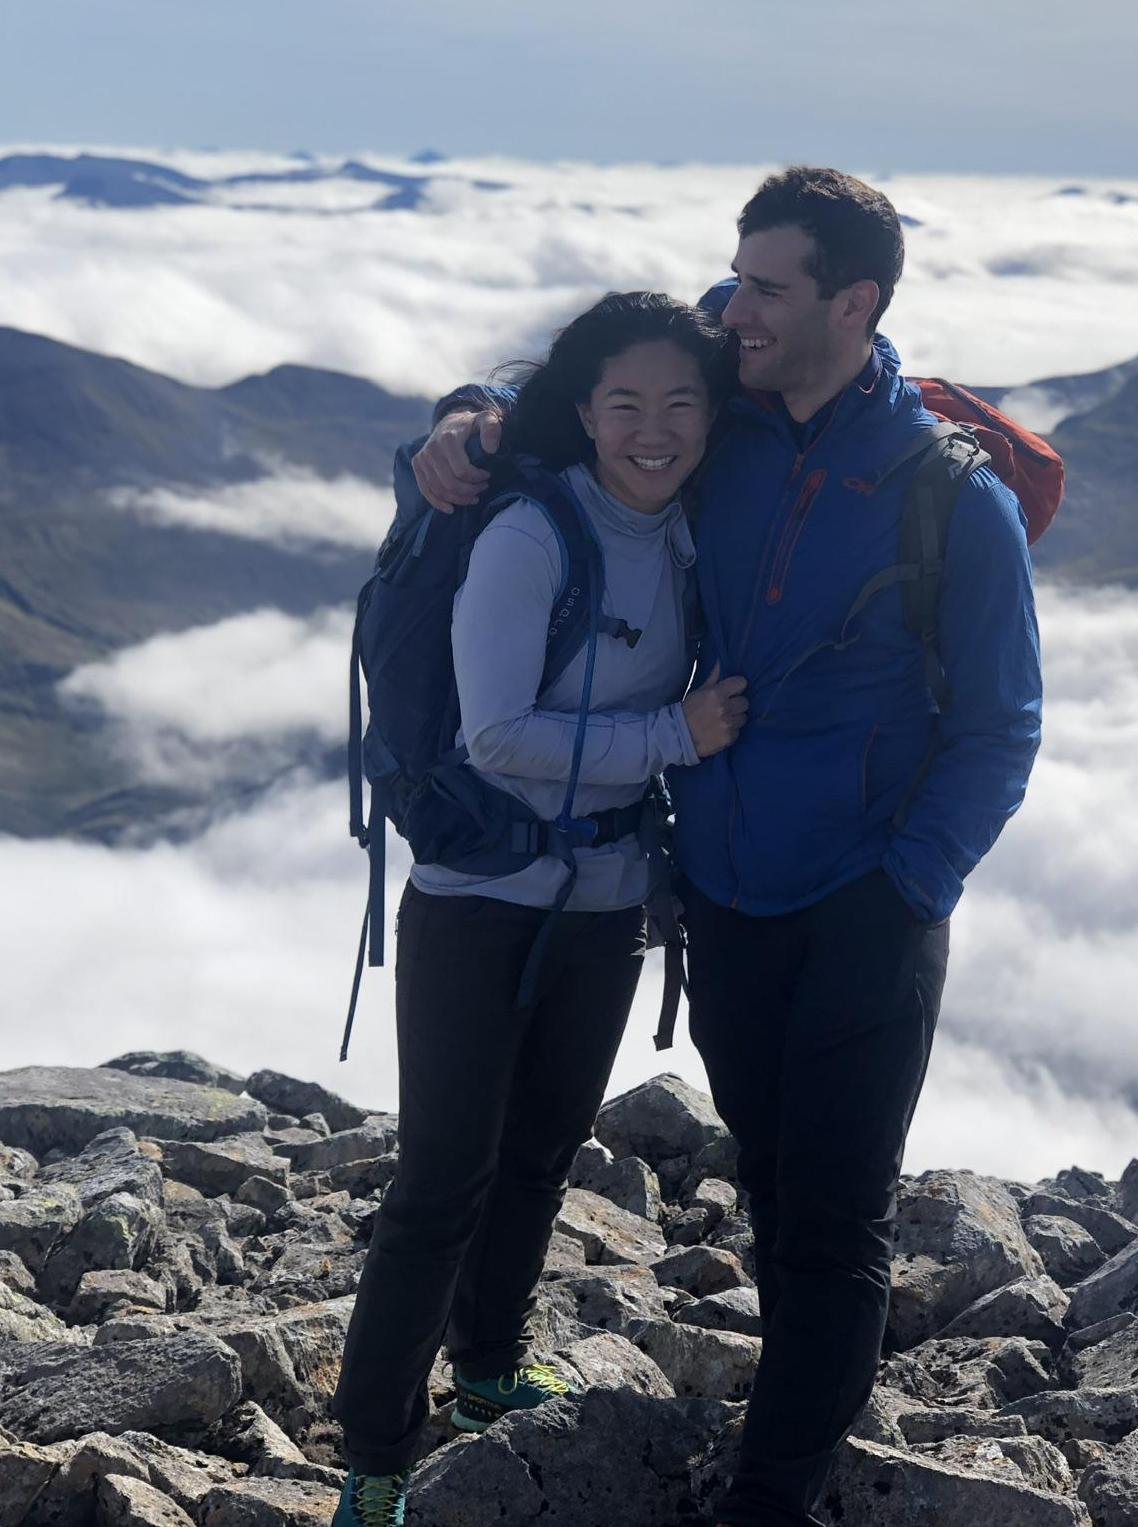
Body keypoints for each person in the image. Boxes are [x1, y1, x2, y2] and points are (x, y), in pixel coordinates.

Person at [411, 166, 1043, 1527]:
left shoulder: (950, 498)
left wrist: (908, 882)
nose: (734, 306)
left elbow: (1002, 726)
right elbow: (591, 387)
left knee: (832, 1212)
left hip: (867, 899)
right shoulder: (730, 407)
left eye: (765, 286)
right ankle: (788, 1421)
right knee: (767, 1180)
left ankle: (768, 1493)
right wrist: (459, 424)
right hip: (723, 892)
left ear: (852, 302)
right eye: (735, 277)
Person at [330, 292, 748, 1527]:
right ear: (583, 411)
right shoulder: (529, 532)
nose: (655, 428)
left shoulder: (680, 530)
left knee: (539, 1156)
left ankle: (490, 1370)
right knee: (443, 1176)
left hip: (606, 895)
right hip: (477, 900)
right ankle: (374, 1452)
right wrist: (677, 732)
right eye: (625, 403)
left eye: (681, 403)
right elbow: (495, 733)